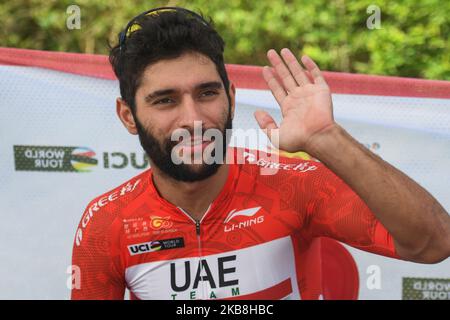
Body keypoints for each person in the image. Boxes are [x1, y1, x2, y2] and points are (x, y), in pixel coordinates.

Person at [71, 7, 450, 300]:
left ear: (231, 98)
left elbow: (433, 244)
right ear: (128, 116)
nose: (193, 119)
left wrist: (326, 138)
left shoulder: (292, 185)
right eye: (165, 100)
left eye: (207, 94)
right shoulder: (107, 223)